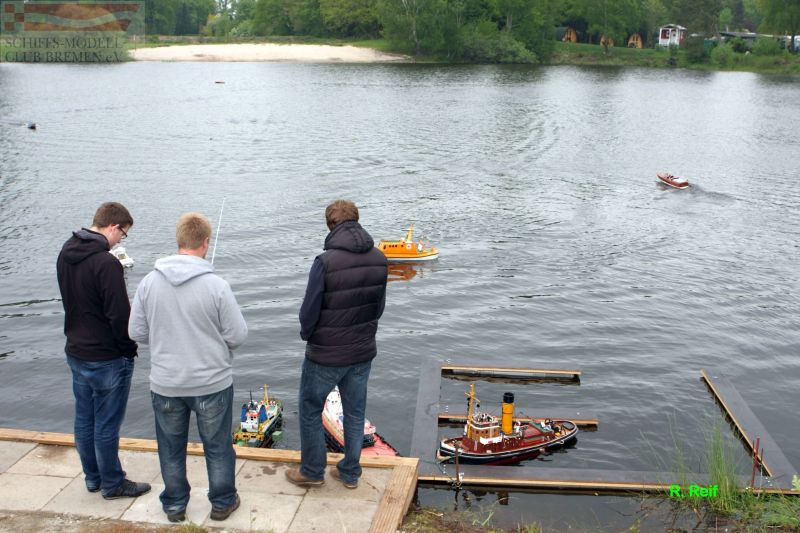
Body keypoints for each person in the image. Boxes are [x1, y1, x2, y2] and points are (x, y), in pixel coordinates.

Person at [128, 212, 247, 523]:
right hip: (212, 382)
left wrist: (164, 338)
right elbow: (238, 336)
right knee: (218, 447)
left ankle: (175, 505)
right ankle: (222, 502)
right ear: (205, 242)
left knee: (170, 447)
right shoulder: (217, 286)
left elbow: (136, 332)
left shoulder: (149, 283)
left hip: (166, 382)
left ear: (179, 241)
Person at [286, 200, 388, 490]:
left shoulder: (325, 262)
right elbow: (378, 307)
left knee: (310, 409)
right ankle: (350, 473)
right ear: (357, 220)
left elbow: (309, 311)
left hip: (325, 355)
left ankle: (312, 471)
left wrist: (308, 335)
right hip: (362, 351)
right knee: (355, 413)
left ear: (330, 226)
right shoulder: (380, 259)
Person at [56, 201, 151, 500]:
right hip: (107, 356)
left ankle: (93, 477)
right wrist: (129, 349)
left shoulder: (66, 252)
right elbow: (119, 315)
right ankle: (113, 483)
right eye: (123, 234)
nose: (121, 241)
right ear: (113, 226)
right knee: (107, 423)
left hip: (76, 349)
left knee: (84, 419)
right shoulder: (106, 263)